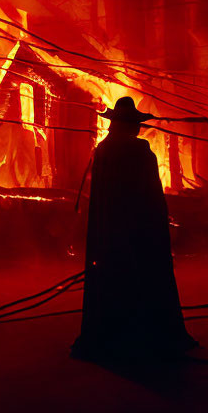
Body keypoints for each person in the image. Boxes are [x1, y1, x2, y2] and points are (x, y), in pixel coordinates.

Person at [72, 97, 196, 364]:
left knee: (111, 282)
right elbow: (151, 196)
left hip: (108, 235)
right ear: (130, 126)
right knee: (143, 282)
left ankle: (110, 337)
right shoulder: (141, 152)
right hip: (138, 233)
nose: (138, 130)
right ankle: (145, 338)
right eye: (136, 125)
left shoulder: (102, 151)